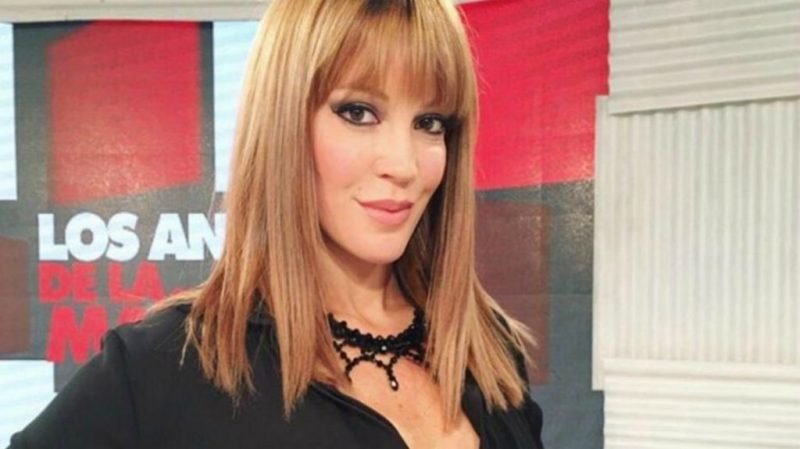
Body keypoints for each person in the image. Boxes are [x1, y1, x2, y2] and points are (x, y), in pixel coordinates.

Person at [8, 0, 544, 448]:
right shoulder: (165, 368)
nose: (403, 165)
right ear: (283, 122)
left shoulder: (487, 349)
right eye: (358, 112)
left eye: (429, 122)